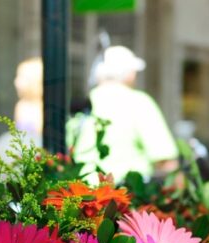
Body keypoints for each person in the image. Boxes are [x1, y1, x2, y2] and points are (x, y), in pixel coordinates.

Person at [72, 46, 179, 183]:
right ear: (130, 74)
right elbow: (165, 160)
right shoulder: (140, 102)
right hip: (124, 196)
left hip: (82, 193)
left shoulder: (85, 102)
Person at [0, 58, 43, 177]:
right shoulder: (21, 106)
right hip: (17, 159)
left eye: (21, 78)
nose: (17, 82)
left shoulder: (39, 107)